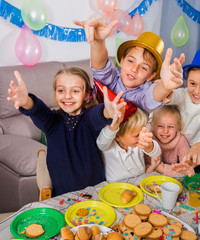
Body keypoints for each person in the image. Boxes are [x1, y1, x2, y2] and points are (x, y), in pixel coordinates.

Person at [7, 68, 126, 196]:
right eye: (61, 90)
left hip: (94, 192)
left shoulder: (88, 119)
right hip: (62, 195)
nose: (67, 96)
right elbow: (39, 112)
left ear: (86, 95)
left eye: (75, 91)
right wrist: (27, 102)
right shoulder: (52, 122)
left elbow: (98, 114)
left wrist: (108, 112)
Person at [74, 17, 184, 113]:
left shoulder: (144, 93)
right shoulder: (112, 79)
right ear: (121, 61)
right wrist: (98, 41)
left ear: (151, 76)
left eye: (143, 67)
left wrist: (164, 87)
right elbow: (100, 68)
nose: (134, 69)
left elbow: (151, 97)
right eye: (131, 61)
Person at [96, 96, 161, 182]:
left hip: (139, 180)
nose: (141, 136)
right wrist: (113, 127)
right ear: (117, 136)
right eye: (137, 134)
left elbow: (157, 153)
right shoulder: (109, 145)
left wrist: (149, 147)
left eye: (142, 131)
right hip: (115, 186)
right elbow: (101, 143)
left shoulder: (138, 143)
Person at [145, 105, 190, 176]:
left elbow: (186, 169)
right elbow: (144, 167)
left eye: (170, 126)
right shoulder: (150, 139)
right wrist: (152, 167)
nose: (165, 131)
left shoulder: (181, 140)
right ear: (153, 126)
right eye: (160, 126)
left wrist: (163, 169)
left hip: (171, 178)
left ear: (178, 127)